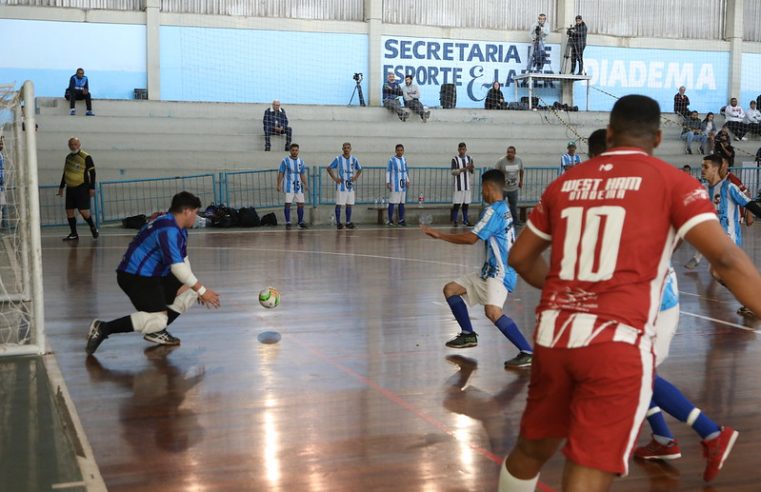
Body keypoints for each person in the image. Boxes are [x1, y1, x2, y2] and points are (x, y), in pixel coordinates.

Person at [499, 94, 761, 492]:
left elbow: (519, 257)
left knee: (531, 449)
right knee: (588, 464)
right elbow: (725, 259)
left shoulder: (565, 183)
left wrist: (564, 287)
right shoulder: (674, 183)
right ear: (657, 138)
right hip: (616, 342)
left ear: (608, 134)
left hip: (555, 334)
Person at [633, 267, 738, 482]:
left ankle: (712, 434)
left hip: (651, 299)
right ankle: (664, 438)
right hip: (648, 297)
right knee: (637, 373)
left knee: (635, 372)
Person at [421, 169, 533, 369]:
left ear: (489, 187)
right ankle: (468, 334)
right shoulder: (505, 208)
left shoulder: (493, 211)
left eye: (482, 189)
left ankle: (527, 351)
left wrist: (439, 235)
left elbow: (471, 239)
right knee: (451, 289)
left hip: (500, 272)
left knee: (493, 312)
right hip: (489, 271)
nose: (481, 193)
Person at [85, 191, 221, 354]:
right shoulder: (168, 229)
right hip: (136, 276)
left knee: (189, 292)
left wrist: (196, 288)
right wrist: (203, 290)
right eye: (195, 212)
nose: (196, 217)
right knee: (158, 318)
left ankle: (156, 330)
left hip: (155, 274)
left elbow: (183, 261)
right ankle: (103, 328)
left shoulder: (178, 227)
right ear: (186, 211)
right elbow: (177, 267)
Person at [57, 137, 98, 241]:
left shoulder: (86, 156)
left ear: (79, 145)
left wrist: (92, 187)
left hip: (82, 187)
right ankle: (74, 233)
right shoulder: (68, 157)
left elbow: (92, 172)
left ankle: (93, 227)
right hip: (70, 188)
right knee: (69, 211)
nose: (73, 146)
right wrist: (61, 186)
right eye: (71, 144)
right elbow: (65, 173)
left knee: (84, 212)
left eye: (75, 144)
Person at [327, 142, 362, 230]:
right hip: (341, 186)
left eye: (348, 148)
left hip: (350, 186)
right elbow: (329, 168)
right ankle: (338, 223)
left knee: (349, 204)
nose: (346, 149)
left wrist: (355, 177)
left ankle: (348, 222)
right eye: (345, 148)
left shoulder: (354, 159)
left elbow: (360, 169)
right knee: (339, 204)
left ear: (350, 149)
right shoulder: (338, 159)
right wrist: (335, 178)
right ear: (342, 149)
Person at [276, 143, 308, 230]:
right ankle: (288, 222)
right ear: (290, 151)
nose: (294, 152)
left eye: (296, 150)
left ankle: (300, 222)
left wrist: (305, 184)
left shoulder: (301, 162)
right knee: (288, 204)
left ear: (298, 151)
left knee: (300, 204)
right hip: (288, 186)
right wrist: (278, 184)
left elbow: (302, 174)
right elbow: (281, 173)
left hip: (298, 186)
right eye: (293, 150)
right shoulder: (285, 161)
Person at [494, 146, 524, 227]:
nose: (509, 154)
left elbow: (521, 171)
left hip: (513, 189)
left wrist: (521, 181)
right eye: (508, 152)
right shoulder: (501, 161)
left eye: (511, 152)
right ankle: (500, 221)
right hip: (503, 188)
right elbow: (496, 172)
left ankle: (515, 221)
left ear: (514, 153)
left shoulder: (519, 160)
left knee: (513, 206)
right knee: (501, 206)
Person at [451, 142, 475, 226]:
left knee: (466, 203)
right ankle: (455, 221)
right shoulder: (455, 159)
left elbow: (472, 171)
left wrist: (471, 168)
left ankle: (465, 220)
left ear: (466, 149)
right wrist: (464, 169)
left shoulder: (470, 158)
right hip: (458, 185)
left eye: (463, 149)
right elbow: (453, 172)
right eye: (460, 149)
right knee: (457, 203)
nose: (462, 151)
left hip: (467, 185)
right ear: (458, 149)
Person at [386, 144, 410, 226]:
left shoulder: (404, 160)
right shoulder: (392, 160)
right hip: (394, 184)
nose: (400, 151)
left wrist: (407, 180)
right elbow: (388, 171)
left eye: (401, 150)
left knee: (402, 202)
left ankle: (401, 220)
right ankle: (390, 220)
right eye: (398, 150)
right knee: (392, 202)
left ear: (403, 151)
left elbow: (406, 171)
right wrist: (388, 182)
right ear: (395, 151)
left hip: (402, 184)